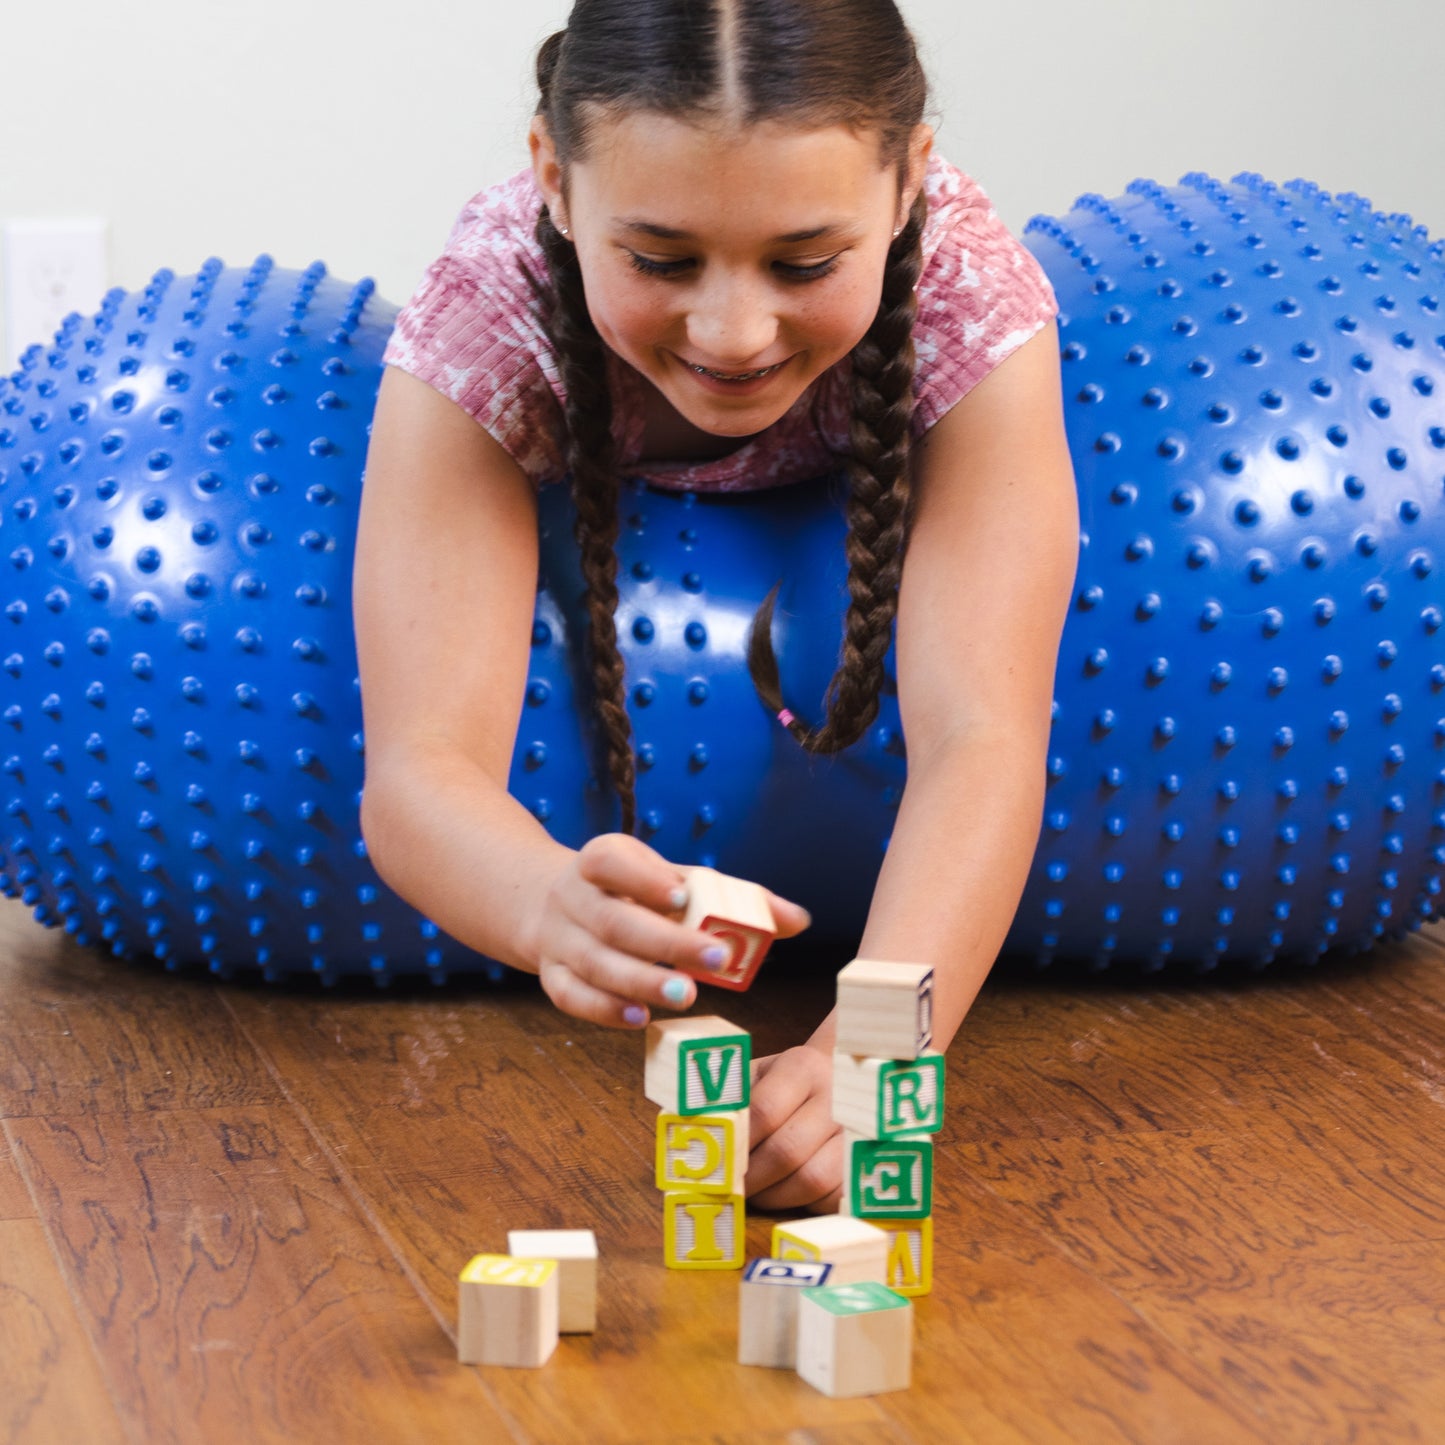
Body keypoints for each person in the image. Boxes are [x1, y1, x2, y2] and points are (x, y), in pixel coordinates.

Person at [353, 0, 1078, 1213]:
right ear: (553, 178)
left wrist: (877, 1052)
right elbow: (419, 767)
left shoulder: (967, 287)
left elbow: (980, 733)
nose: (732, 332)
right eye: (659, 259)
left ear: (907, 182)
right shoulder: (486, 311)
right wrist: (542, 901)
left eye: (803, 263)